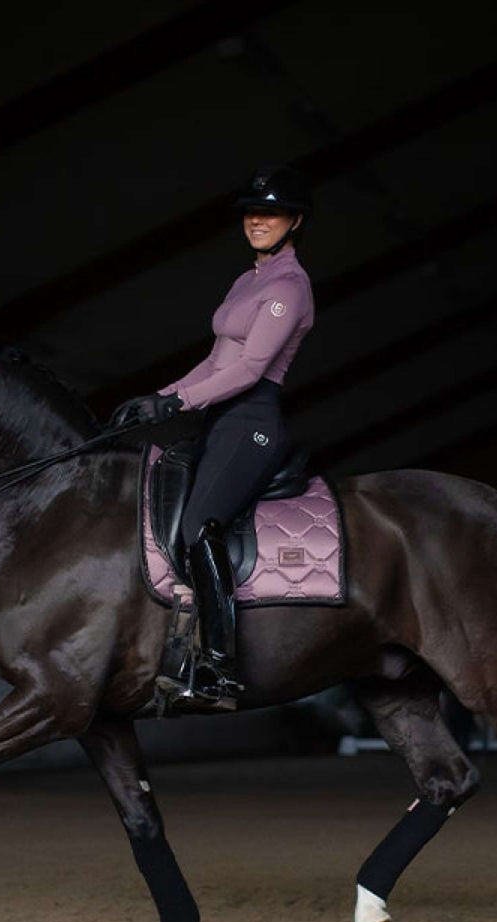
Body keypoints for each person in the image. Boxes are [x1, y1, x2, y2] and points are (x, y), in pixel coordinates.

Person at [110, 164, 315, 709]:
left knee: (200, 521)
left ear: (295, 221)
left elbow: (248, 369)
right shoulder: (247, 281)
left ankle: (218, 666)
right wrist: (160, 396)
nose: (257, 221)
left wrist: (180, 402)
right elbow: (215, 360)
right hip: (221, 417)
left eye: (270, 213)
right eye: (251, 213)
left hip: (252, 421)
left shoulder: (290, 287)